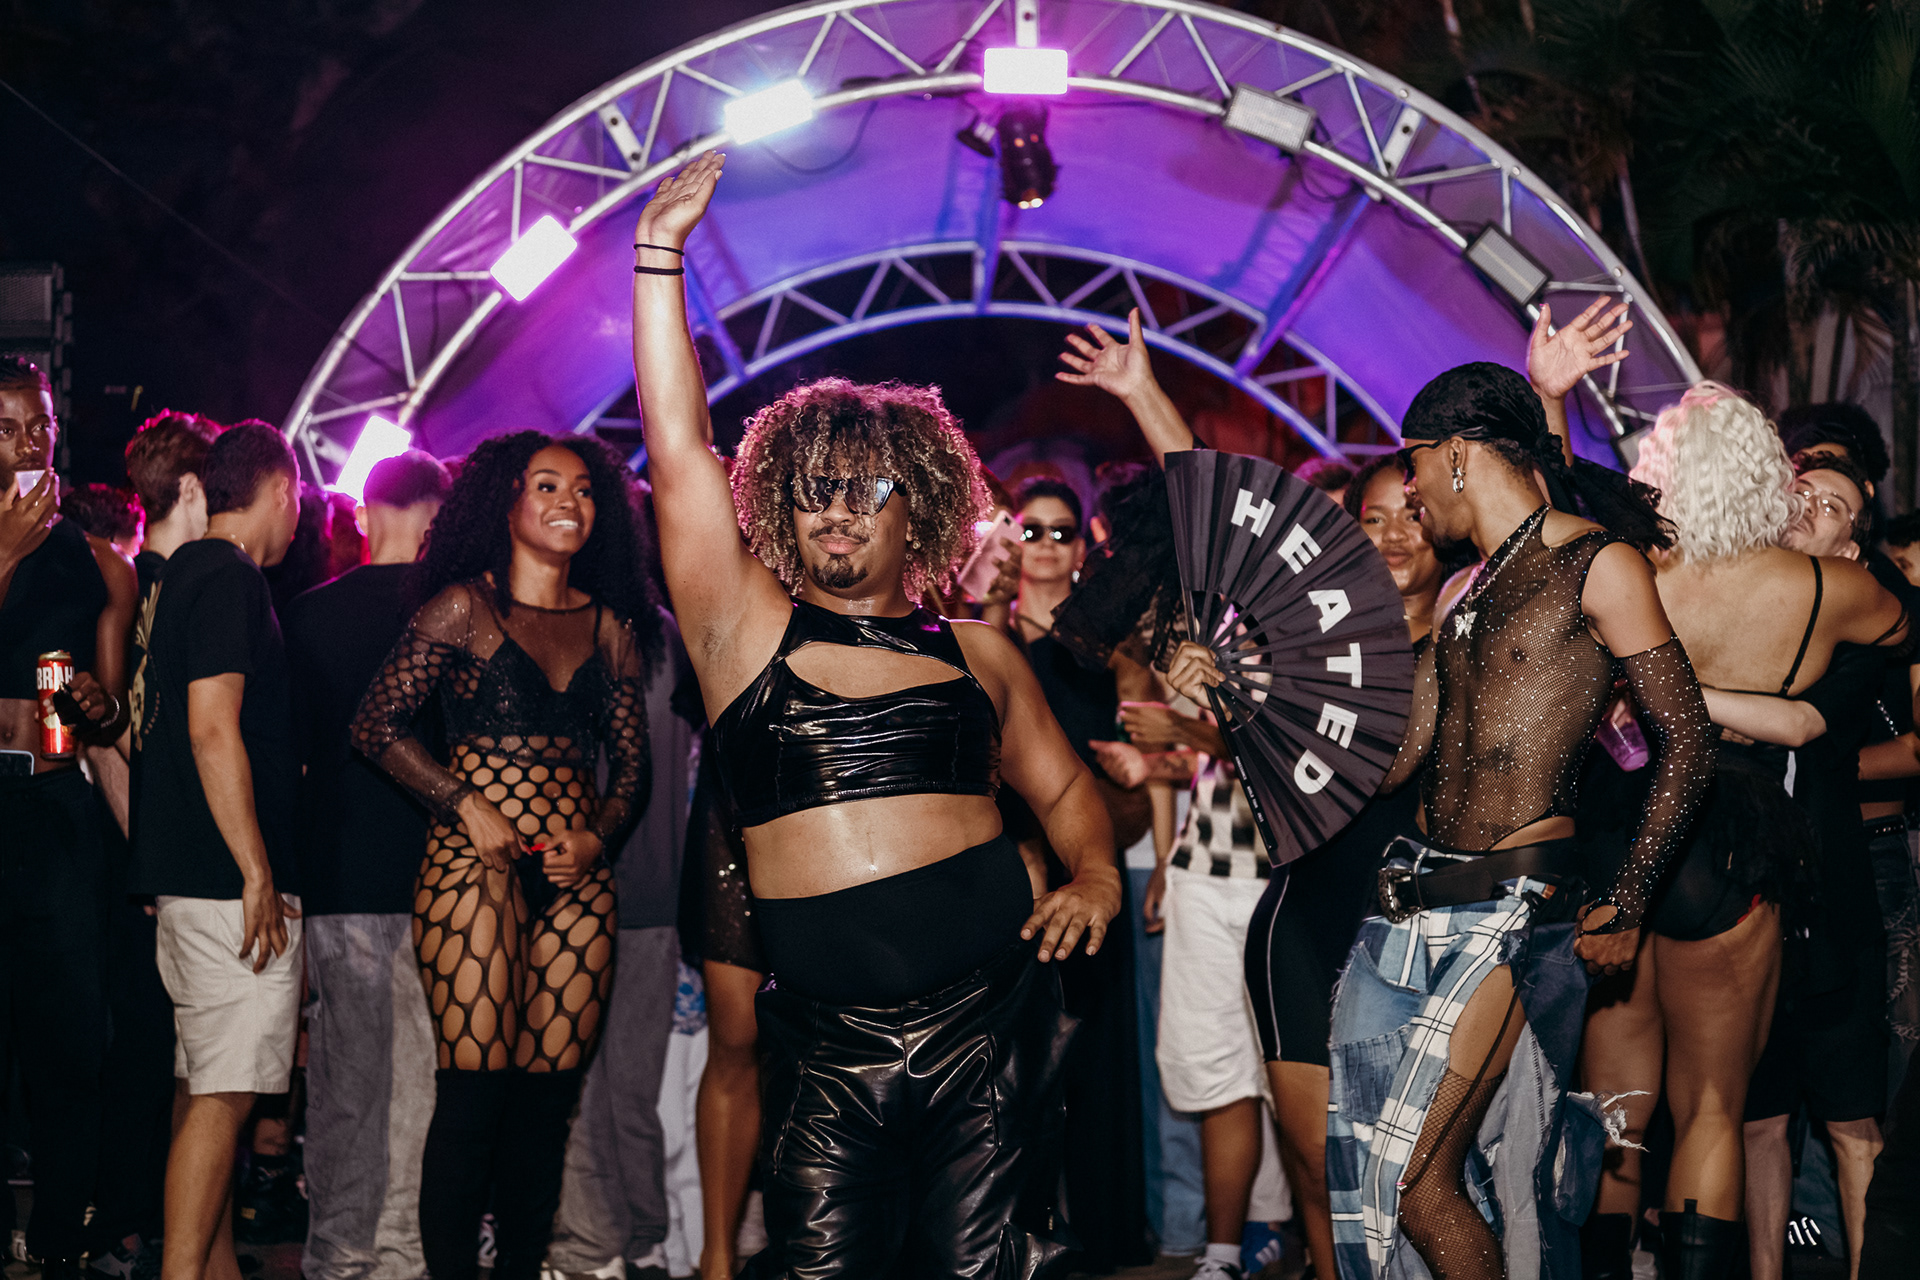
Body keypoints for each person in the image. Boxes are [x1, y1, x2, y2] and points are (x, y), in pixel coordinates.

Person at [631, 152, 1120, 1278]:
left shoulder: (981, 653)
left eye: (866, 489)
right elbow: (677, 448)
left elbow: (1064, 790)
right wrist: (659, 256)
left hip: (988, 1030)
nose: (836, 510)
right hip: (825, 1052)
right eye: (813, 489)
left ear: (922, 510)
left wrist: (1095, 873)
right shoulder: (741, 637)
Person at [1280, 342, 1715, 1280]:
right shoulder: (1465, 592)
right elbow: (1394, 763)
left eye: (1412, 465)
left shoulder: (1597, 565)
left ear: (1457, 454)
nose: (1410, 491)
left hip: (1514, 909)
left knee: (1420, 1182)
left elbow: (1688, 742)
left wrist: (1630, 898)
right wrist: (1265, 703)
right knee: (1365, 1176)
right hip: (1414, 898)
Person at [1568, 386, 1904, 1280]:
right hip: (1733, 835)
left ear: (1662, 472)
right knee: (1715, 1107)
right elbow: (1903, 626)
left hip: (1623, 821)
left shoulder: (1631, 570)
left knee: (1618, 1113)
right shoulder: (1825, 588)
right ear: (1768, 478)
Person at [350, 431, 660, 1280]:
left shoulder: (610, 627)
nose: (570, 502)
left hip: (577, 879)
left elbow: (633, 767)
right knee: (473, 1098)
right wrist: (462, 802)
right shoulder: (464, 607)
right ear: (507, 501)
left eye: (585, 489)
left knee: (545, 1110)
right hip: (473, 870)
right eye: (547, 485)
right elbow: (374, 725)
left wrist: (596, 837)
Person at [1723, 448, 1903, 1280]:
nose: (1807, 508)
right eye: (1799, 493)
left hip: (1833, 901)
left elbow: (1799, 725)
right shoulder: (1732, 602)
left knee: (1851, 1120)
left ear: (1852, 550)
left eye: (1832, 507)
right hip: (1743, 899)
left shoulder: (1858, 634)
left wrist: (1679, 693)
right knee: (1759, 1119)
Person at [130, 421, 304, 1280]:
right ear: (281, 491)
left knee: (204, 1088)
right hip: (224, 883)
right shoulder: (229, 576)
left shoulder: (182, 576)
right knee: (225, 1095)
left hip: (189, 878)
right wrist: (257, 870)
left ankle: (213, 1268)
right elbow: (209, 727)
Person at [283, 450, 451, 1280]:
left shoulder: (307, 616)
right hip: (431, 874)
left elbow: (290, 759)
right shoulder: (453, 616)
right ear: (435, 518)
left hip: (336, 869)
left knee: (344, 1079)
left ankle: (337, 1253)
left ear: (363, 512)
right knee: (418, 1083)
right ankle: (401, 1255)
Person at [0, 356, 136, 1280]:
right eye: (8, 429)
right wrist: (6, 553)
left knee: (70, 1036)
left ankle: (58, 1236)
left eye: (40, 427)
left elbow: (112, 711)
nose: (28, 445)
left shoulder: (100, 563)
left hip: (54, 806)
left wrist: (96, 702)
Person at [83, 410, 222, 1280]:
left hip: (146, 854)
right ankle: (129, 1230)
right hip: (135, 856)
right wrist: (151, 851)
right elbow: (101, 735)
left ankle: (173, 1237)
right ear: (195, 488)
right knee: (147, 1048)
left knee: (173, 1054)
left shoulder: (172, 582)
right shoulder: (139, 587)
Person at [547, 501, 701, 1280]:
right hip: (649, 896)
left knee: (590, 1090)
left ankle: (619, 1243)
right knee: (627, 1091)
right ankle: (638, 1245)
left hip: (600, 893)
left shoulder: (590, 633)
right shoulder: (666, 631)